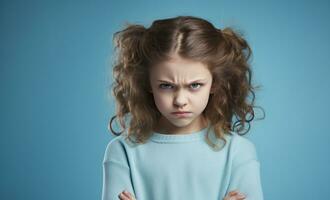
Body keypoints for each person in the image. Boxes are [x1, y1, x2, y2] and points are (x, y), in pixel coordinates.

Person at [101, 15, 265, 200]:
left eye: (195, 85)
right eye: (166, 85)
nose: (180, 100)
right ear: (147, 83)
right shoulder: (122, 151)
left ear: (215, 84)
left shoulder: (238, 152)